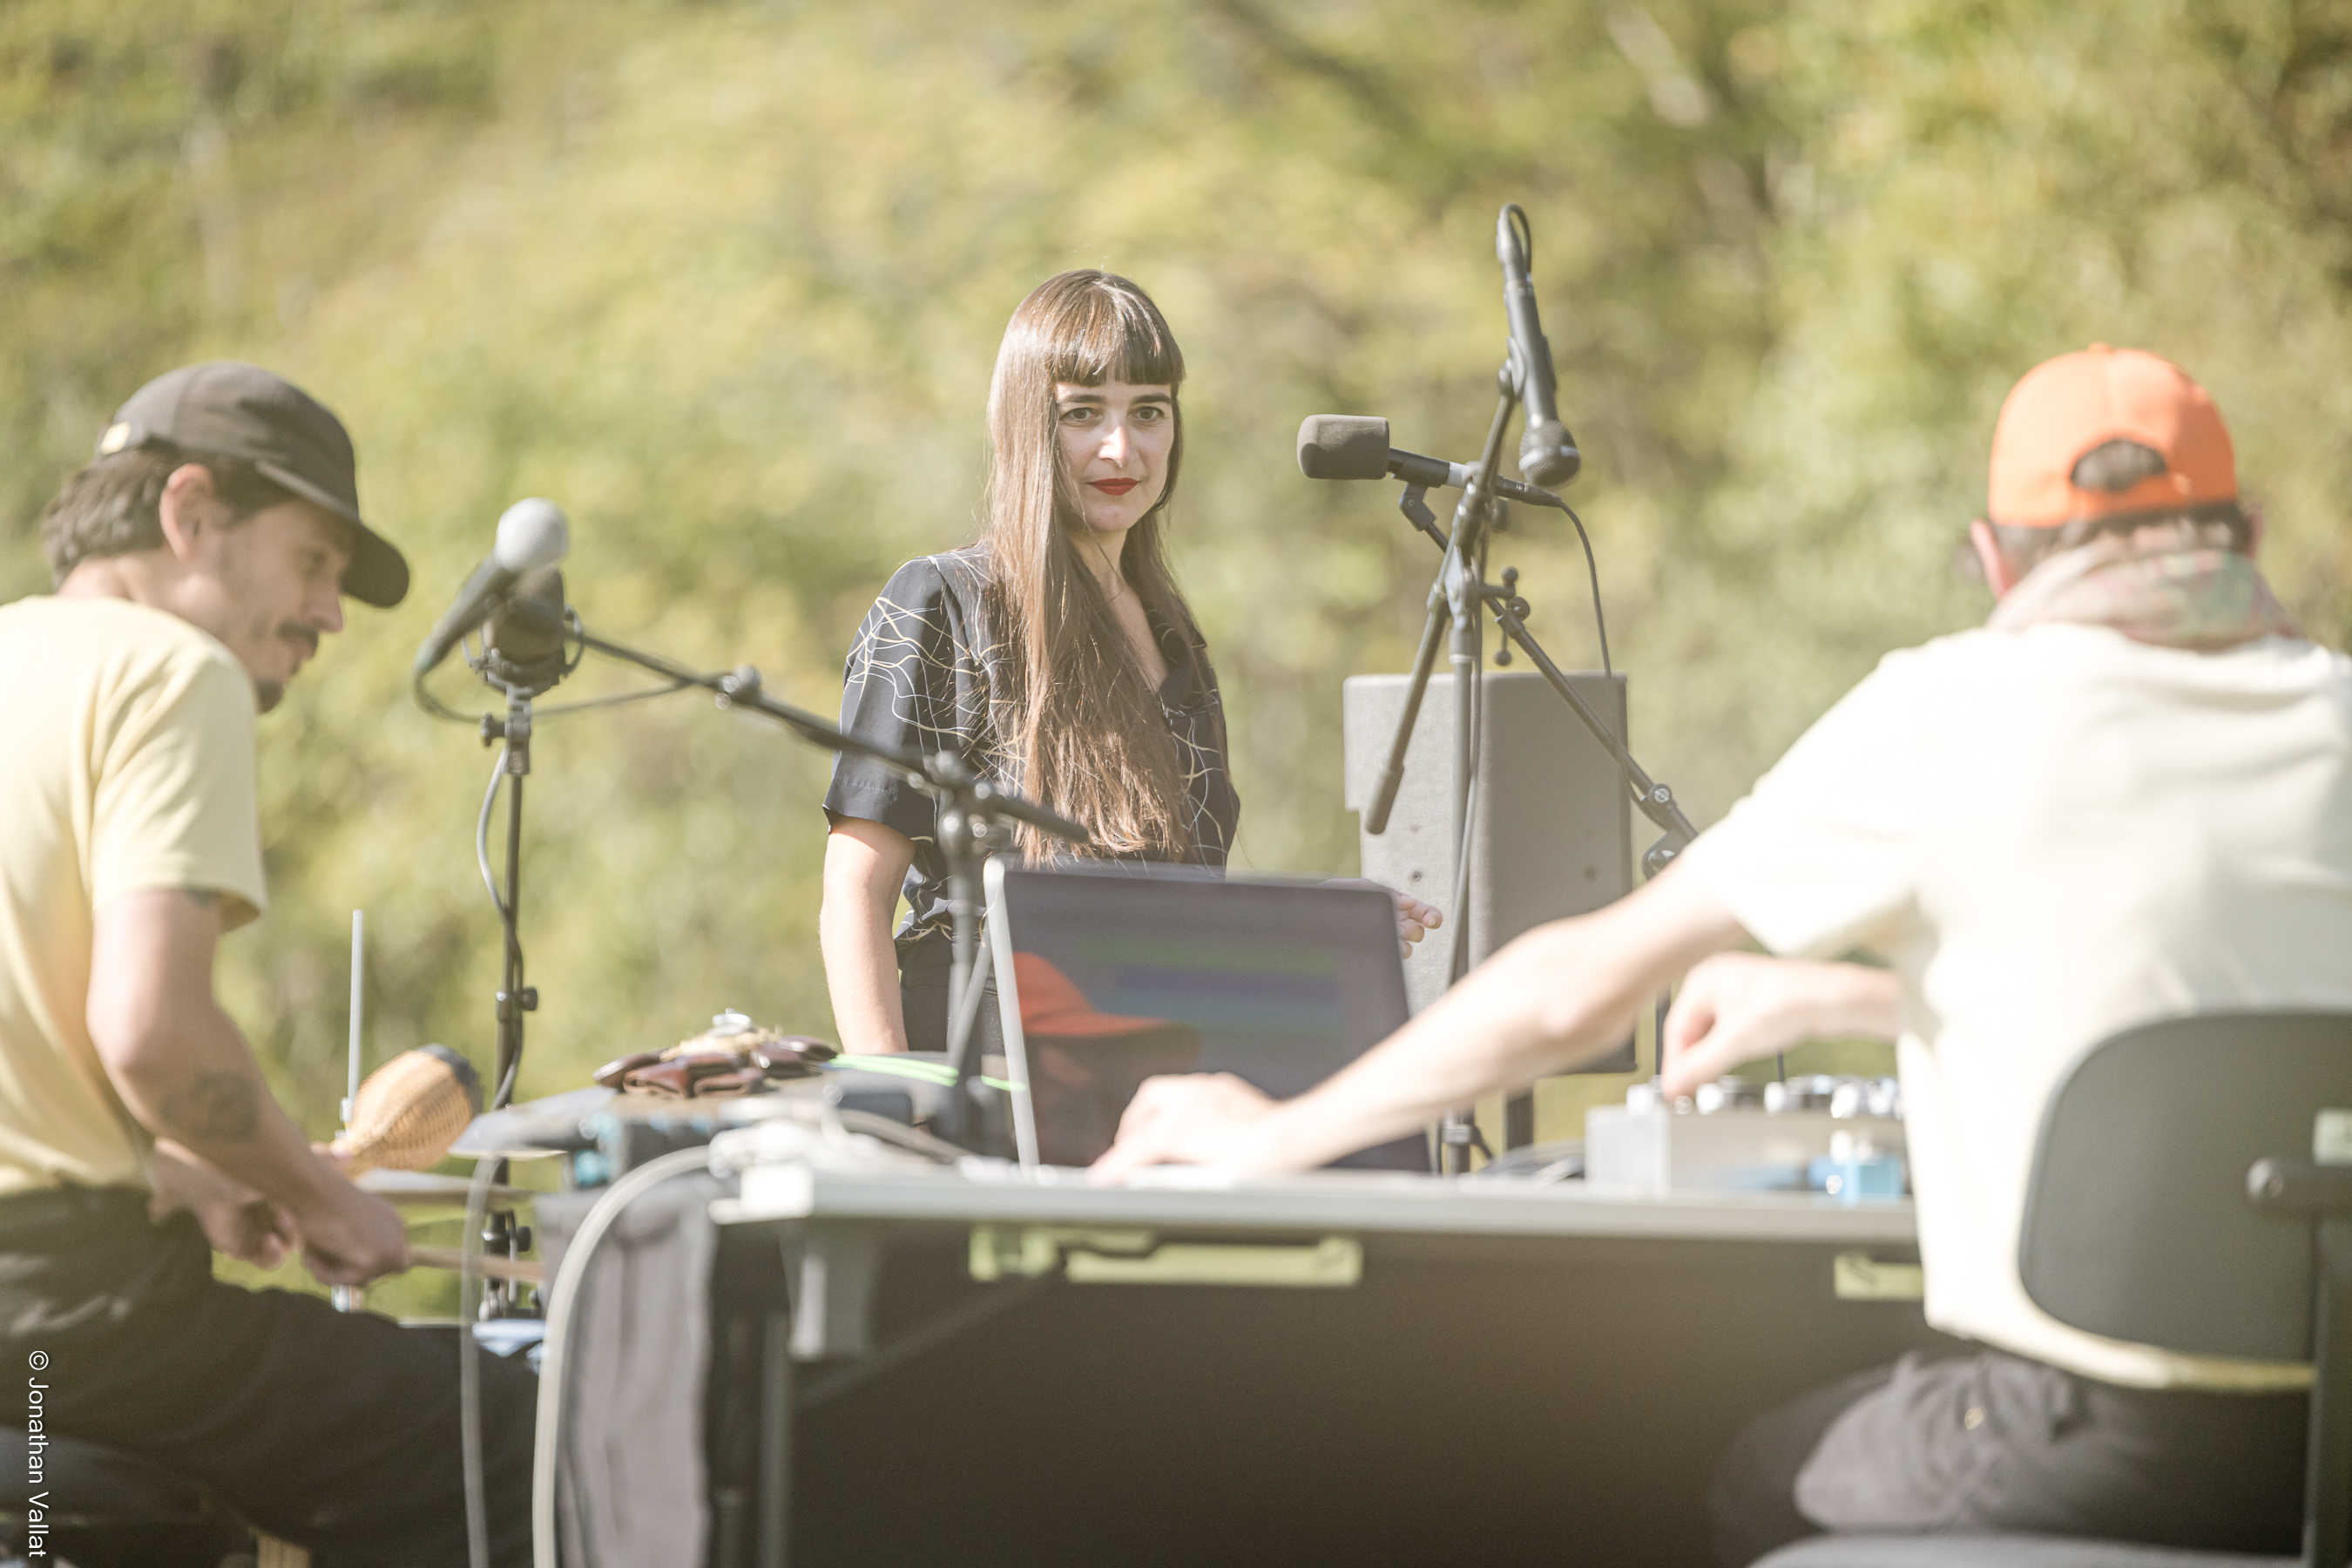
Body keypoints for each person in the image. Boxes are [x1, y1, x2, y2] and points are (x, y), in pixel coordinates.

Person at [1092, 346, 2334, 1559]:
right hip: (2326, 1440)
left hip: (2088, 1441)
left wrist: (1276, 1137)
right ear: (2249, 531)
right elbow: (2210, 1020)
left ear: (1995, 557)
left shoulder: (1962, 710)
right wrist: (1844, 994)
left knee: (1747, 1473)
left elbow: (1573, 992)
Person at [0, 362, 537, 1565]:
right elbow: (149, 1030)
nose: (330, 613)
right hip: (67, 1317)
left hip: (46, 1285)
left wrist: (188, 1175)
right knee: (525, 1437)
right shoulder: (168, 670)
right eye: (312, 562)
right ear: (188, 514)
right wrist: (319, 1194)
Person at [821, 270, 1437, 1057]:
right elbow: (855, 892)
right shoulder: (942, 601)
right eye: (1083, 413)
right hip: (982, 1081)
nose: (1123, 448)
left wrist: (1324, 917)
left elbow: (1172, 917)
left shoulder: (1176, 638)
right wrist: (899, 1107)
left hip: (1147, 1084)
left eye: (1149, 411)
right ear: (1027, 427)